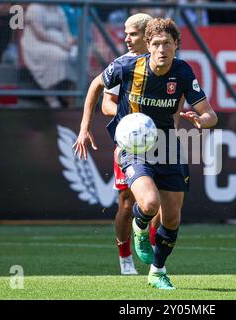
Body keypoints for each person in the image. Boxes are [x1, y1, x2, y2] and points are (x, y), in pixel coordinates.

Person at [73, 18, 217, 290]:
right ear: (148, 46)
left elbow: (210, 113)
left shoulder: (183, 72)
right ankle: (140, 228)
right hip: (134, 147)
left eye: (168, 43)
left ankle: (158, 271)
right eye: (157, 44)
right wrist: (84, 128)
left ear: (176, 45)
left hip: (167, 146)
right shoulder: (127, 66)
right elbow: (95, 86)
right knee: (149, 204)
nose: (162, 49)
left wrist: (201, 120)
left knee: (172, 217)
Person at [101, 13, 164, 276]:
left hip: (160, 141)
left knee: (160, 202)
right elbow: (106, 103)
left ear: (147, 36)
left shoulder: (166, 66)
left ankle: (153, 256)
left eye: (132, 34)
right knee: (126, 203)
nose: (126, 38)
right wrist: (132, 122)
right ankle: (125, 259)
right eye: (125, 33)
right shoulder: (122, 65)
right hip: (131, 144)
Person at [20, 3, 77, 109]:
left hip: (61, 44)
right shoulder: (34, 8)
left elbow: (66, 31)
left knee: (76, 55)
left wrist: (69, 42)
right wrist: (61, 45)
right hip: (37, 44)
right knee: (58, 56)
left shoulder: (59, 9)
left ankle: (72, 97)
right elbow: (40, 34)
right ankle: (50, 96)